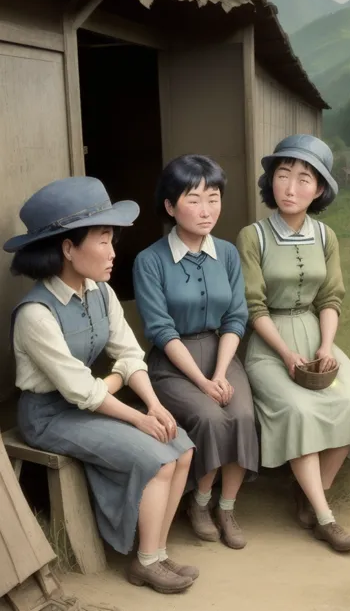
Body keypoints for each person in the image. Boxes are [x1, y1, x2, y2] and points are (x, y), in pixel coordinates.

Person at [4, 177, 197, 595]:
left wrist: (153, 405)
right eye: (104, 241)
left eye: (113, 240)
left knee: (180, 445)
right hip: (48, 415)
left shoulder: (101, 292)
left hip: (91, 403)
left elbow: (130, 354)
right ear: (68, 248)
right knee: (157, 458)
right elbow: (81, 392)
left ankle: (157, 552)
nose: (113, 252)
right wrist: (134, 414)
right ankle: (145, 563)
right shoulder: (35, 314)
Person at [236, 134, 350, 553]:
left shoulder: (326, 236)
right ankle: (326, 517)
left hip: (317, 337)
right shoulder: (253, 236)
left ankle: (309, 497)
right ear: (271, 182)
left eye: (304, 179)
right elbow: (253, 306)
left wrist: (326, 346)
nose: (291, 188)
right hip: (269, 344)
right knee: (297, 409)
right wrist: (285, 353)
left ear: (319, 189)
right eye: (283, 176)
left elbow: (331, 297)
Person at [133, 155, 259, 550]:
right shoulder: (149, 260)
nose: (207, 210)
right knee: (208, 416)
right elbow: (160, 330)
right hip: (173, 361)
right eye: (194, 199)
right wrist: (203, 382)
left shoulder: (227, 253)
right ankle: (200, 504)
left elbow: (237, 317)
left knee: (241, 413)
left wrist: (221, 373)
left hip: (221, 352)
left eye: (214, 198)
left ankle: (226, 505)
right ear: (170, 207)